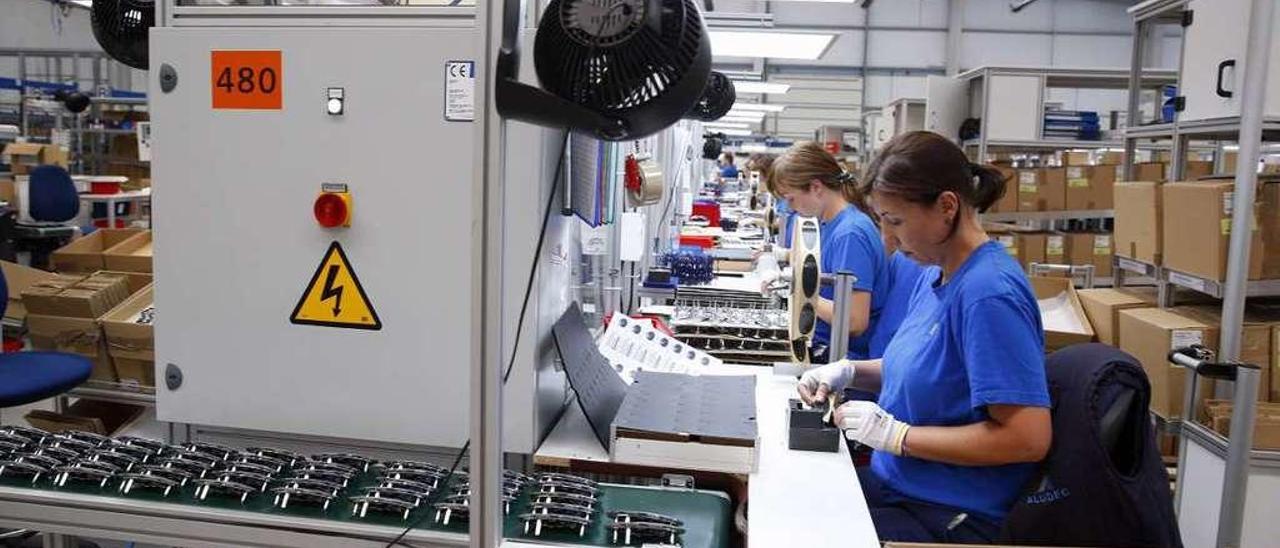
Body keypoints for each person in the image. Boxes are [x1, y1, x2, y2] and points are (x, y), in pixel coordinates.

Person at [797, 131, 1052, 543]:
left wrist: (900, 437)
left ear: (947, 206)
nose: (888, 241)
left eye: (896, 222)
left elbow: (1028, 438)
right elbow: (927, 368)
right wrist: (846, 372)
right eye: (883, 222)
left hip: (948, 513)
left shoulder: (988, 293)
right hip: (901, 487)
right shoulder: (935, 271)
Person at [768, 141, 892, 361]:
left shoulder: (850, 234)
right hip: (819, 343)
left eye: (790, 199)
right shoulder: (829, 224)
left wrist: (799, 295)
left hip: (839, 360)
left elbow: (854, 321)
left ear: (816, 188)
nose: (789, 209)